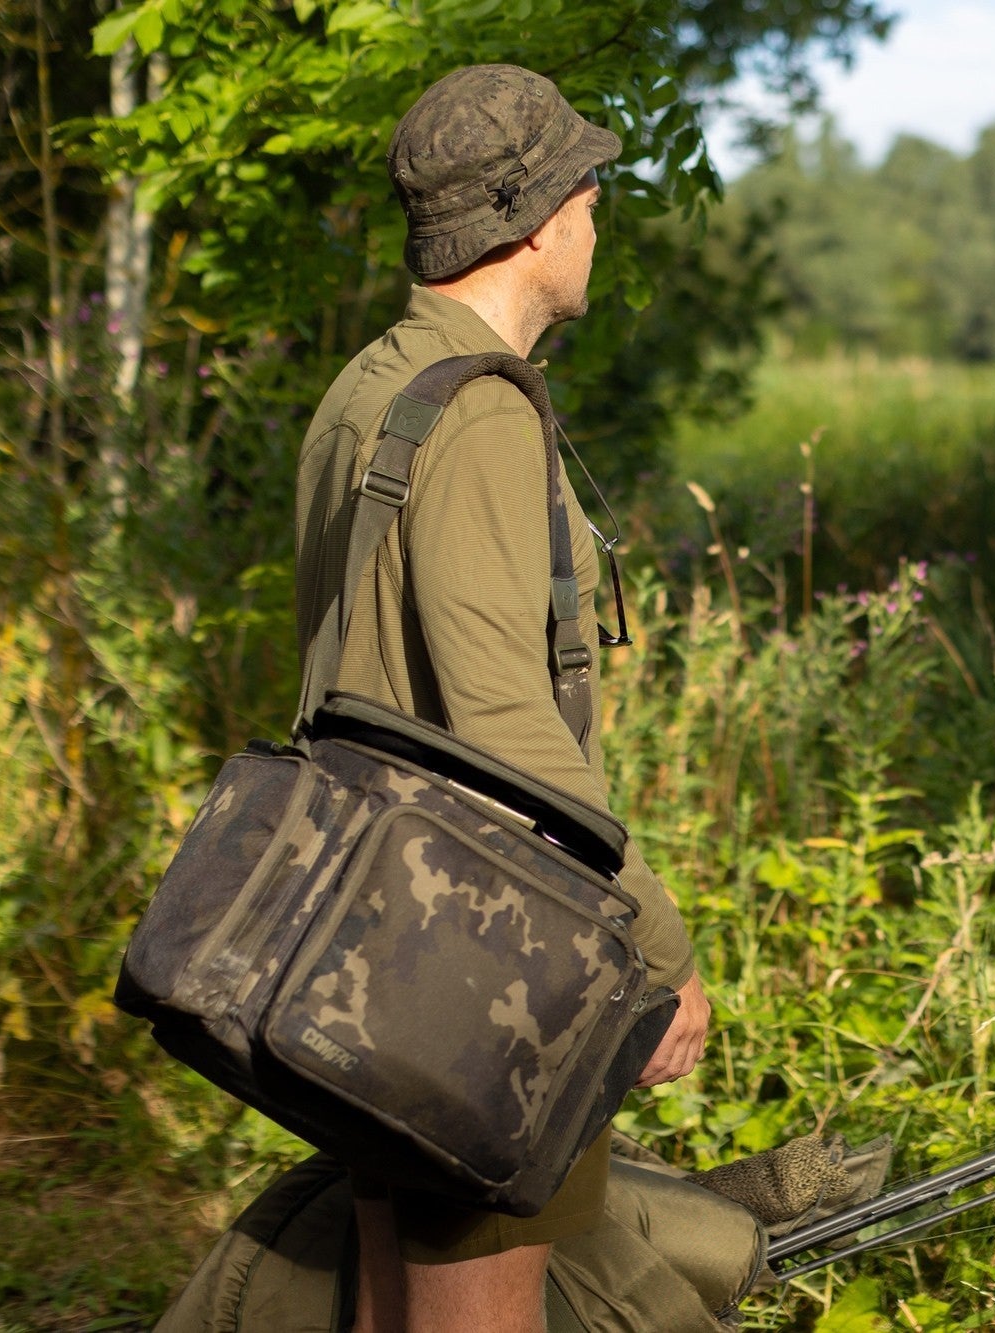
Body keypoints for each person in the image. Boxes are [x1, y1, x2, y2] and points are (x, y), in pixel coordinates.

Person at [292, 64, 711, 1333]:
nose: (596, 214)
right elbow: (505, 725)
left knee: (391, 1303)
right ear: (534, 221)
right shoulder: (475, 413)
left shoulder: (372, 385)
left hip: (368, 918)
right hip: (479, 952)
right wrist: (654, 946)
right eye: (586, 190)